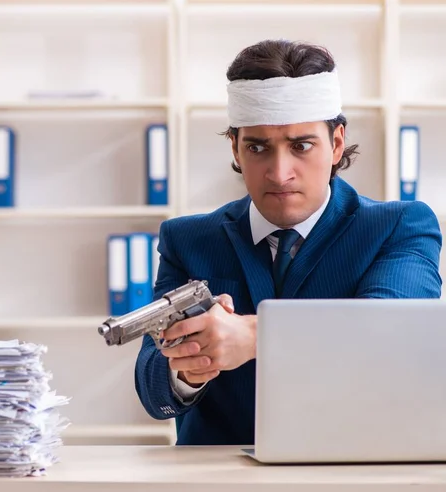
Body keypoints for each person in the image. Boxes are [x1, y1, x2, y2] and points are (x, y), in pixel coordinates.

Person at [134, 39, 443, 446]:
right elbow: (155, 396)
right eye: (258, 148)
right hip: (220, 480)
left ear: (335, 144)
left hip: (355, 473)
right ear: (235, 149)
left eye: (301, 146)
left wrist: (257, 336)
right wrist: (190, 369)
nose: (280, 174)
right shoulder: (187, 239)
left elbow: (393, 335)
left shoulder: (399, 226)